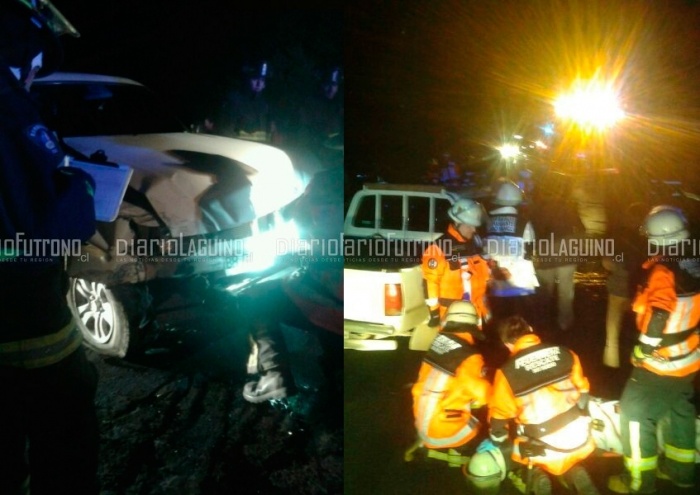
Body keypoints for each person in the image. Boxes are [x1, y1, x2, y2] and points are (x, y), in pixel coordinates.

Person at [0, 2, 99, 494]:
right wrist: (81, 187)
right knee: (66, 452)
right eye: (37, 57)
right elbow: (41, 233)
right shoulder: (11, 109)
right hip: (27, 335)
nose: (38, 72)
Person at [240, 165, 343, 426]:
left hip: (331, 307)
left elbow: (313, 260)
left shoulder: (316, 207)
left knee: (257, 298)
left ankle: (275, 378)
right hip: (344, 307)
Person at [608, 205, 700, 494]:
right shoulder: (692, 261)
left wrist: (643, 350)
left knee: (634, 414)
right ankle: (682, 472)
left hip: (663, 361)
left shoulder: (663, 269)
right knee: (679, 409)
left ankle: (638, 482)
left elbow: (659, 313)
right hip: (690, 358)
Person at [486, 316, 599, 495]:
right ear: (531, 329)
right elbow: (584, 391)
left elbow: (499, 418)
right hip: (580, 437)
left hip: (542, 446)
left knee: (512, 447)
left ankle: (534, 475)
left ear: (507, 344)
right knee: (564, 452)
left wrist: (497, 441)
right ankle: (572, 471)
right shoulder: (565, 353)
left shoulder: (506, 373)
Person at [409, 301, 491, 467]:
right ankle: (460, 449)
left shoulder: (438, 342)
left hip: (422, 423)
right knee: (488, 412)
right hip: (445, 432)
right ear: (474, 324)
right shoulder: (470, 357)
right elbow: (484, 396)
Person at [422, 198, 492, 327]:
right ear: (456, 222)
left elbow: (484, 273)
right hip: (453, 317)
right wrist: (434, 312)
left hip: (477, 312)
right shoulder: (438, 248)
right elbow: (430, 282)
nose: (474, 230)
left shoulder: (474, 244)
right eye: (469, 225)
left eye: (475, 226)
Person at [530, 177, 585, 333]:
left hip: (545, 253)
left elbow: (531, 231)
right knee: (566, 290)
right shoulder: (568, 207)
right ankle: (565, 323)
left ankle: (542, 322)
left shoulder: (535, 208)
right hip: (566, 253)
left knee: (545, 291)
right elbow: (581, 229)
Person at [483, 178, 539, 321]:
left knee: (499, 316)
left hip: (496, 281)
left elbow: (484, 250)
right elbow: (529, 251)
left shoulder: (488, 222)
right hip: (519, 283)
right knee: (518, 319)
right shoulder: (523, 222)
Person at [600, 203, 646, 368]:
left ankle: (611, 365)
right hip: (639, 291)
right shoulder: (646, 240)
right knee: (640, 327)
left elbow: (607, 262)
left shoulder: (616, 237)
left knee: (612, 331)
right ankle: (640, 362)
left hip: (618, 288)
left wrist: (619, 270)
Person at [216, 60, 275, 143]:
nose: (258, 83)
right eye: (255, 79)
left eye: (262, 80)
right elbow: (226, 130)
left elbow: (270, 132)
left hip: (260, 150)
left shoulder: (265, 105)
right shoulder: (235, 100)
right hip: (237, 150)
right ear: (247, 80)